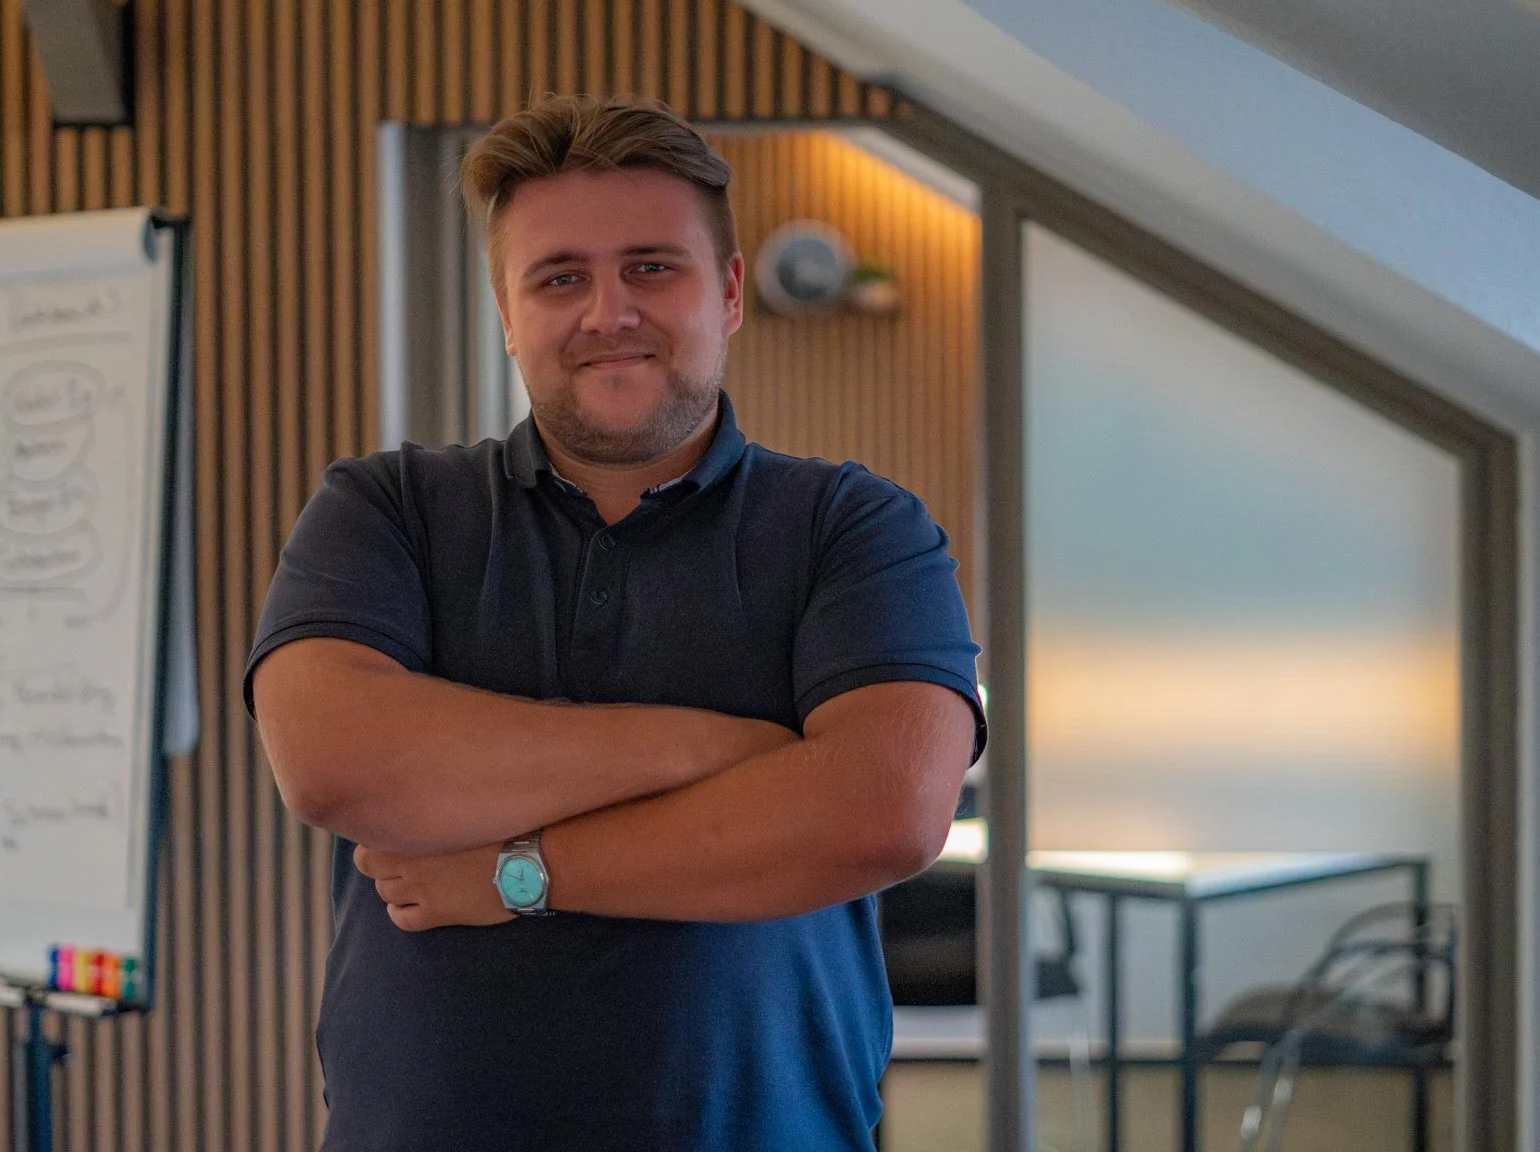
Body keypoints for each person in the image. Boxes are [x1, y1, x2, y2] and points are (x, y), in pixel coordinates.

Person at [244, 93, 987, 1151]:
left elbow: (886, 811)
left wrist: (515, 876)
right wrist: (719, 750)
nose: (608, 312)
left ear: (727, 293)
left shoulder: (853, 526)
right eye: (559, 278)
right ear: (506, 313)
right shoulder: (388, 509)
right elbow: (335, 763)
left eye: (650, 267)